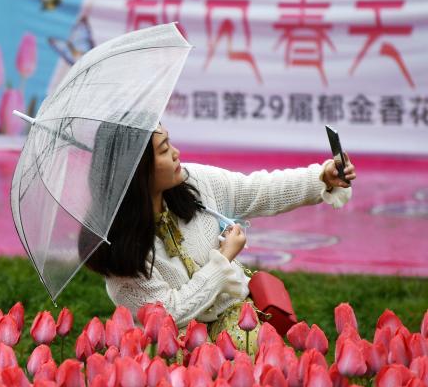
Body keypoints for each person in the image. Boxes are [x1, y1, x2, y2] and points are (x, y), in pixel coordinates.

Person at [79, 121, 355, 355]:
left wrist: (321, 178)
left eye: (170, 144)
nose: (176, 153)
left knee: (245, 344)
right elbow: (169, 314)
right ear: (138, 170)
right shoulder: (118, 250)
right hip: (174, 342)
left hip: (234, 318)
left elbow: (256, 191)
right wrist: (222, 261)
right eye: (164, 150)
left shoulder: (195, 184)